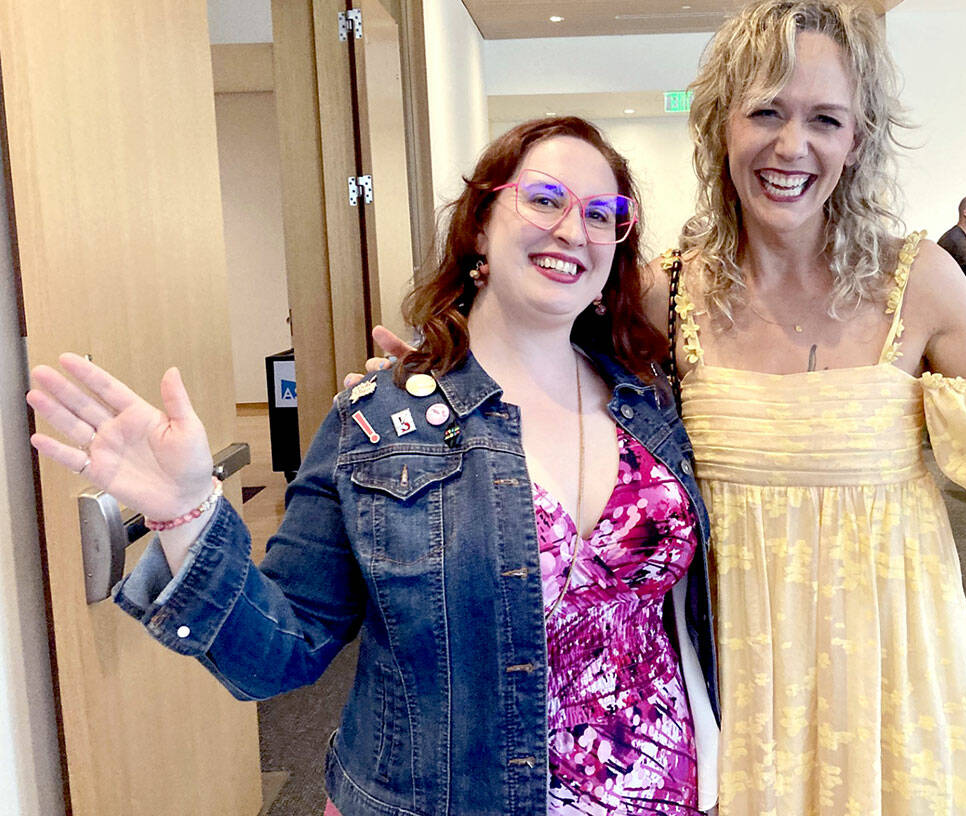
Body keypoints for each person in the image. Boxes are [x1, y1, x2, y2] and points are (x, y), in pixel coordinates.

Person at [356, 0, 966, 815]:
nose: (792, 146)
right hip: (731, 670)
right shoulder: (662, 290)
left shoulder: (917, 282)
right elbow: (548, 395)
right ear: (720, 124)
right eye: (766, 110)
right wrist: (434, 378)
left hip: (891, 675)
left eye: (825, 119)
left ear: (858, 139)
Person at [26, 117, 720, 816]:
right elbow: (281, 652)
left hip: (663, 793)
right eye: (544, 199)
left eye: (602, 214)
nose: (574, 230)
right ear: (480, 226)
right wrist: (185, 514)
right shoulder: (378, 420)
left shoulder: (650, 403)